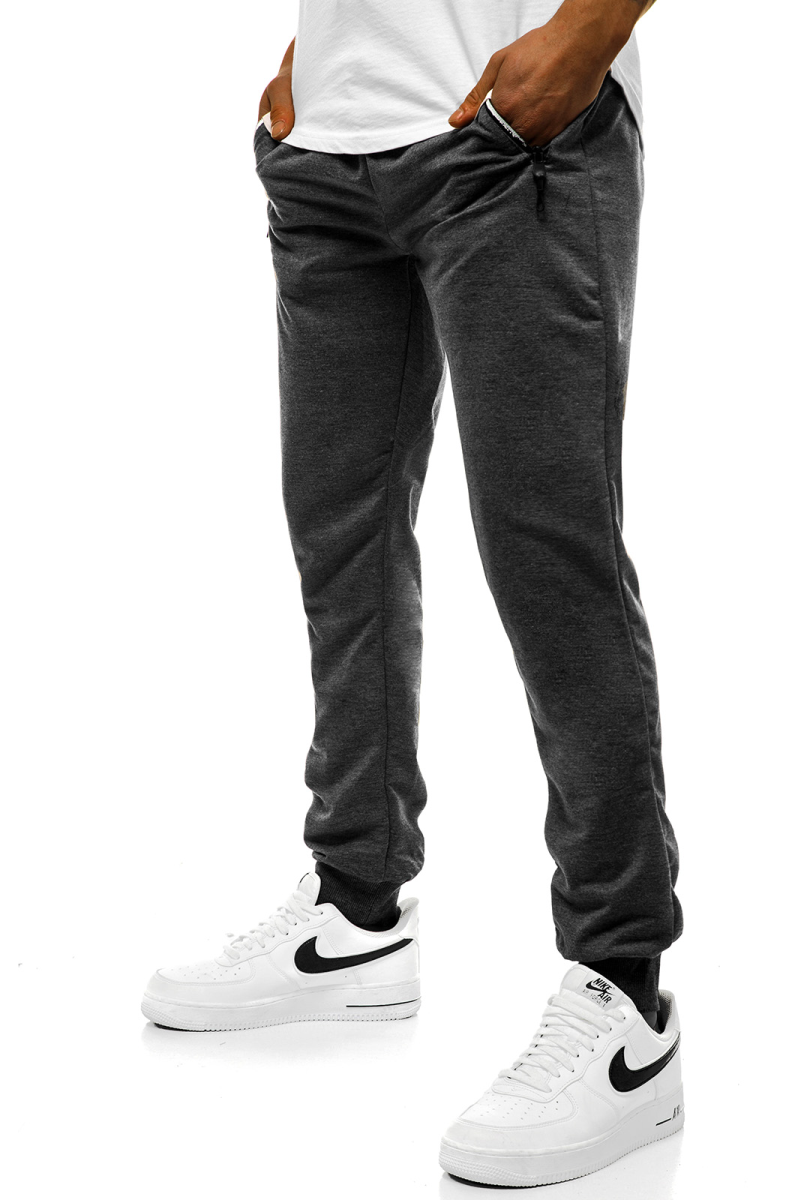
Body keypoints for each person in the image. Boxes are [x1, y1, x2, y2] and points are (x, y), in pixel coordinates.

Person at [142, 0, 684, 1185]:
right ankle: (357, 914)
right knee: (340, 539)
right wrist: (318, 74)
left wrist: (586, 34)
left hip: (511, 140)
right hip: (328, 151)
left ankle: (627, 1000)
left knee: (550, 558)